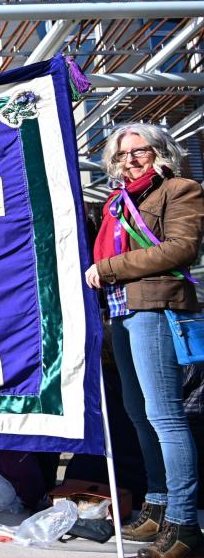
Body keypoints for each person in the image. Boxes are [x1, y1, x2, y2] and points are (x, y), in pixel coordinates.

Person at [85, 123, 204, 558]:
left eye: (139, 151)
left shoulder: (180, 189)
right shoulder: (117, 203)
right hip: (121, 312)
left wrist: (112, 267)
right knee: (139, 415)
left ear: (160, 151)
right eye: (121, 155)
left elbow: (181, 248)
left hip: (156, 308)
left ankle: (184, 524)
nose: (129, 160)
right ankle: (157, 505)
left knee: (165, 417)